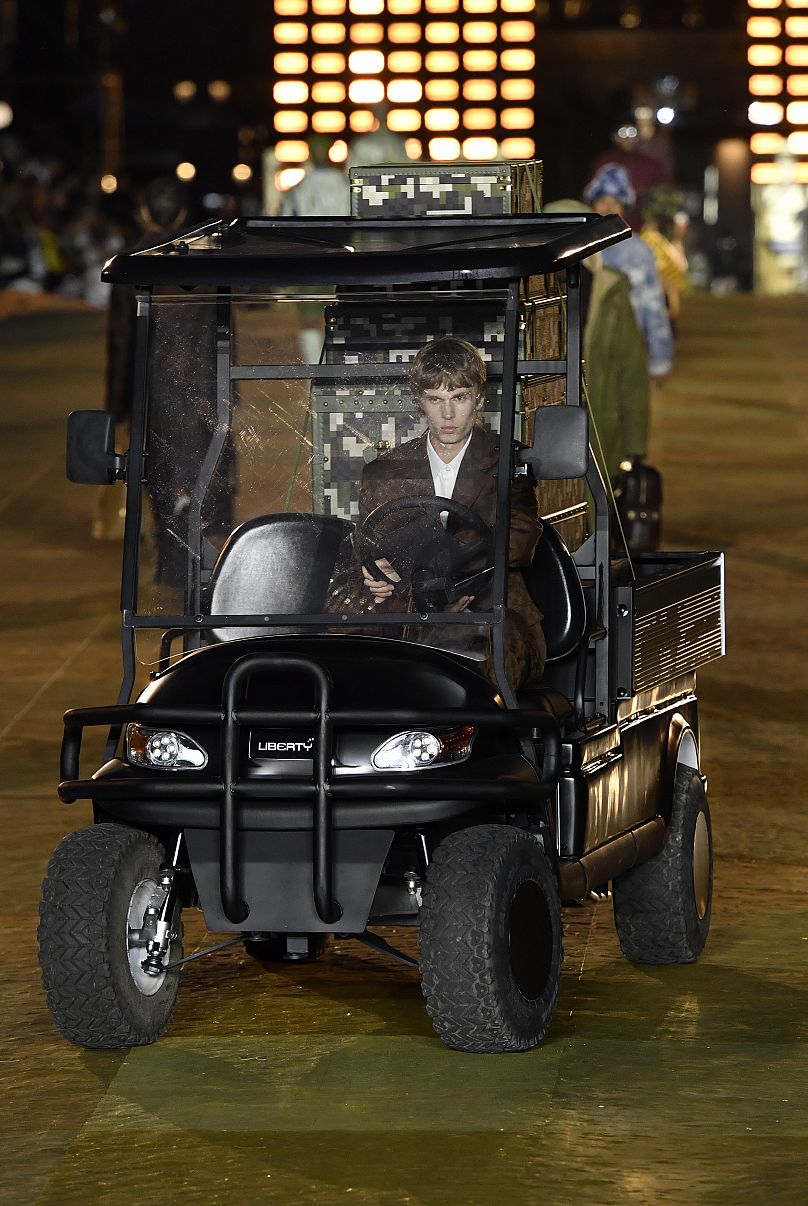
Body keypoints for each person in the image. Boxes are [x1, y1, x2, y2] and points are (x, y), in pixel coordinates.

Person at [330, 337, 546, 690]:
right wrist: (376, 574)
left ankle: (483, 720)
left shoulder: (509, 462)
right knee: (337, 643)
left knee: (482, 646)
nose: (447, 415)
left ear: (478, 398)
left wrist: (439, 578)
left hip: (490, 609)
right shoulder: (384, 473)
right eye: (435, 399)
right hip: (407, 609)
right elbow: (365, 548)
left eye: (459, 398)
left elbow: (519, 543)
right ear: (420, 401)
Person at [582, 163, 674, 385]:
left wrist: (660, 360)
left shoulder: (639, 251)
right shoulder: (578, 247)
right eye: (602, 201)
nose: (608, 207)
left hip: (627, 344)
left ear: (624, 207)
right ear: (592, 204)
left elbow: (654, 306)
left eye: (615, 202)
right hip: (586, 347)